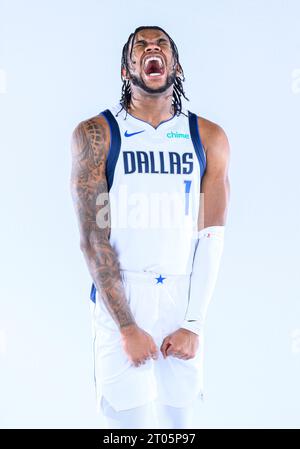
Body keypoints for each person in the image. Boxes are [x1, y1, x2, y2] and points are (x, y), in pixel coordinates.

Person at [70, 25, 230, 429]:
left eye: (160, 45)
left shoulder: (207, 137)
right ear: (126, 69)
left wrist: (193, 323)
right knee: (130, 426)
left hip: (182, 293)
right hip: (123, 292)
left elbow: (211, 236)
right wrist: (126, 325)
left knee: (181, 424)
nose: (151, 49)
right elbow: (94, 237)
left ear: (174, 66)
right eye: (140, 46)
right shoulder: (99, 134)